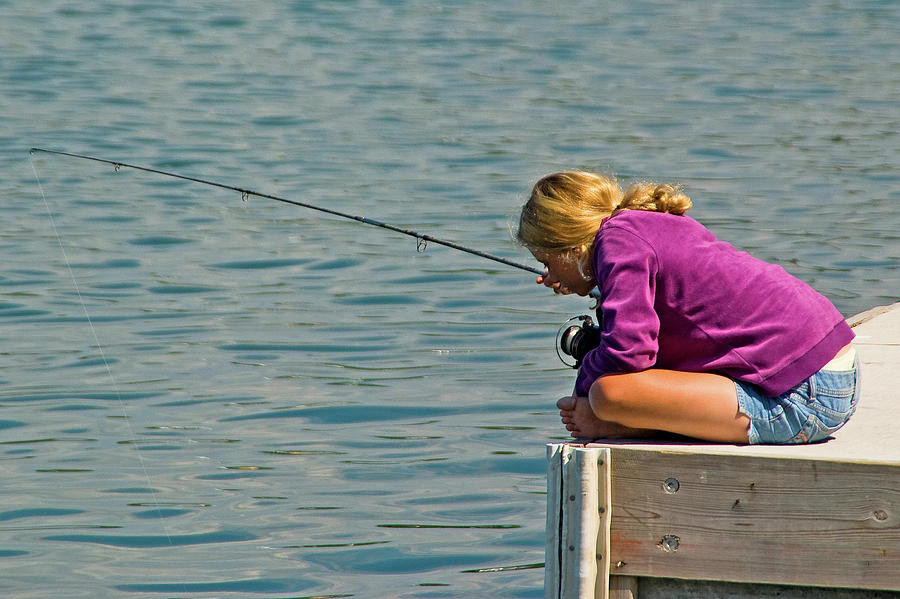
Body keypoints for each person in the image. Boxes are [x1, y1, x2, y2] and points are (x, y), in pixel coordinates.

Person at [517, 171, 859, 444]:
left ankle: (631, 428)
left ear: (571, 248)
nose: (546, 276)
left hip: (804, 399)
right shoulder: (641, 224)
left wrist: (585, 397)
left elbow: (628, 352)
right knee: (614, 392)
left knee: (609, 395)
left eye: (546, 261)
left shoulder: (617, 244)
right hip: (834, 373)